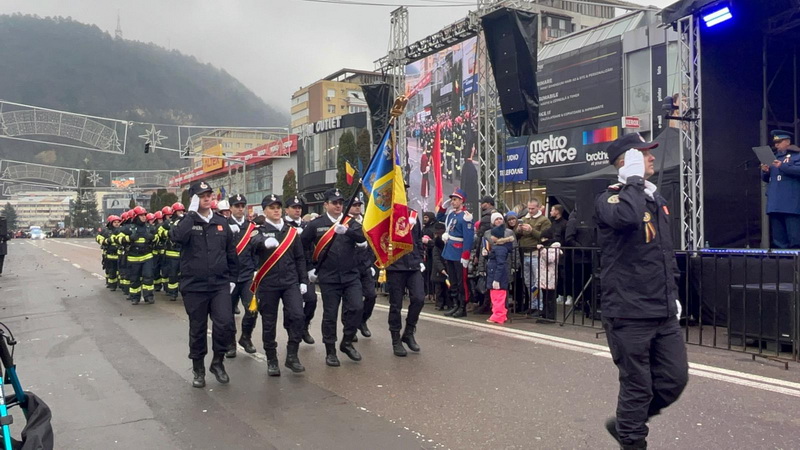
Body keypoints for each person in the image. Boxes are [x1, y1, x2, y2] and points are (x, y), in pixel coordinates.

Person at [595, 133, 688, 449]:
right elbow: (628, 218)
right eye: (643, 154)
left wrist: (672, 294)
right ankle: (632, 439)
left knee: (675, 379)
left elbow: (663, 253)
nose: (651, 158)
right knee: (638, 387)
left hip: (661, 310)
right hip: (628, 312)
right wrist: (633, 180)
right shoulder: (610, 199)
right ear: (626, 161)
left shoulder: (655, 199)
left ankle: (626, 423)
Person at [169, 181, 239, 388]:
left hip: (219, 284)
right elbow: (177, 238)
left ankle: (218, 362)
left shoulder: (221, 222)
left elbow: (230, 252)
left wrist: (233, 279)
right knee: (198, 329)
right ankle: (198, 367)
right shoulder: (187, 222)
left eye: (209, 194)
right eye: (202, 195)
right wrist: (190, 215)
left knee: (225, 323)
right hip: (194, 285)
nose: (207, 198)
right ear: (193, 199)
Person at [301, 188, 367, 367]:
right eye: (334, 202)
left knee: (356, 307)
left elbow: (363, 238)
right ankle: (330, 350)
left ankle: (346, 342)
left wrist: (348, 232)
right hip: (328, 277)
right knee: (330, 314)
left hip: (351, 275)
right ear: (326, 205)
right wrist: (309, 268)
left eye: (340, 203)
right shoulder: (316, 224)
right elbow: (303, 246)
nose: (338, 206)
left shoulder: (350, 222)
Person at [249, 194, 308, 376]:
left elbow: (300, 258)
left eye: (278, 207)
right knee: (269, 323)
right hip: (269, 283)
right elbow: (253, 242)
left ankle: (292, 355)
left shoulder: (290, 231)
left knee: (298, 316)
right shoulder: (258, 229)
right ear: (265, 211)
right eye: (271, 207)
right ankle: (272, 359)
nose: (276, 210)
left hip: (290, 281)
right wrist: (263, 242)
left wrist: (303, 280)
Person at [385, 205, 426, 357]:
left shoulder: (413, 215)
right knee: (396, 305)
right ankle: (396, 339)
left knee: (419, 298)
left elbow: (418, 239)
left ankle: (409, 332)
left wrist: (420, 258)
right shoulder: (385, 214)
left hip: (413, 265)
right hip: (395, 265)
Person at [435, 187, 475, 318]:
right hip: (450, 251)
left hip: (459, 251)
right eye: (452, 199)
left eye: (455, 200)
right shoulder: (452, 214)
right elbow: (439, 217)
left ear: (462, 201)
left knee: (460, 281)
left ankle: (462, 306)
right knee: (452, 280)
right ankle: (455, 304)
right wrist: (443, 207)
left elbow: (468, 238)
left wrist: (465, 255)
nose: (453, 202)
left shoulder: (466, 217)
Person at [227, 194, 258, 356]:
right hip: (229, 277)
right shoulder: (224, 225)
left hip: (247, 276)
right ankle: (230, 342)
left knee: (253, 308)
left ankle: (246, 337)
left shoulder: (252, 227)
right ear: (231, 208)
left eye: (242, 206)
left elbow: (256, 250)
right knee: (228, 312)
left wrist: (256, 268)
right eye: (236, 206)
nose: (240, 209)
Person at [285, 195, 316, 345]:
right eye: (294, 207)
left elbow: (312, 247)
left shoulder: (307, 225)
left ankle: (304, 326)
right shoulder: (283, 226)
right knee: (289, 305)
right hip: (288, 270)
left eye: (299, 208)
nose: (297, 210)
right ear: (287, 210)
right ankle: (290, 330)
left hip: (305, 268)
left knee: (311, 299)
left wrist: (312, 268)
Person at [761, 130, 800, 249]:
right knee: (778, 238)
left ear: (787, 142)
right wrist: (765, 171)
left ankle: (796, 263)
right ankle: (782, 262)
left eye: (779, 142)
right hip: (775, 202)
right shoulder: (773, 158)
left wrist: (782, 165)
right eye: (775, 142)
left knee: (794, 236)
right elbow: (767, 178)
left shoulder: (796, 155)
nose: (776, 145)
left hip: (791, 202)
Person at [516, 198, 551, 316]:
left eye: (532, 208)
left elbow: (544, 237)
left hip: (536, 253)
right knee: (528, 282)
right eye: (529, 208)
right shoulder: (525, 218)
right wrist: (519, 229)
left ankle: (540, 307)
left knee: (537, 282)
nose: (530, 211)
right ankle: (533, 305)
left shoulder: (544, 220)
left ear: (538, 207)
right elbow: (518, 235)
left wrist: (531, 230)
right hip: (524, 253)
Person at [349, 196, 378, 339]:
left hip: (365, 265)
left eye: (359, 205)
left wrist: (371, 263)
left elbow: (371, 244)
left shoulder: (367, 221)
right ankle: (351, 328)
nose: (357, 207)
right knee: (351, 301)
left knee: (371, 296)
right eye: (354, 205)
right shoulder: (345, 222)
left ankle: (363, 321)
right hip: (351, 267)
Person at [118, 206, 156, 305]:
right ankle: (135, 297)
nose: (144, 217)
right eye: (141, 215)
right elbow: (118, 238)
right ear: (135, 217)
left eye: (144, 215)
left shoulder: (149, 227)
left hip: (147, 256)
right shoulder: (128, 228)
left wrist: (152, 237)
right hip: (133, 257)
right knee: (134, 279)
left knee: (148, 276)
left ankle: (149, 296)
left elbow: (157, 236)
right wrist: (128, 238)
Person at [485, 223, 514, 324]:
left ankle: (498, 316)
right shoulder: (499, 247)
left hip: (497, 276)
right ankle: (500, 314)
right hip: (496, 275)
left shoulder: (499, 248)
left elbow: (500, 264)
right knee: (497, 296)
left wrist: (496, 279)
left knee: (498, 297)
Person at [96, 215, 121, 290]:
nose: (117, 224)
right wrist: (106, 241)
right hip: (110, 255)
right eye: (115, 222)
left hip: (120, 255)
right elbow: (98, 238)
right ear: (110, 223)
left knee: (120, 271)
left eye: (118, 222)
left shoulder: (121, 230)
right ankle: (112, 285)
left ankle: (120, 284)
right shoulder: (105, 231)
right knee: (111, 271)